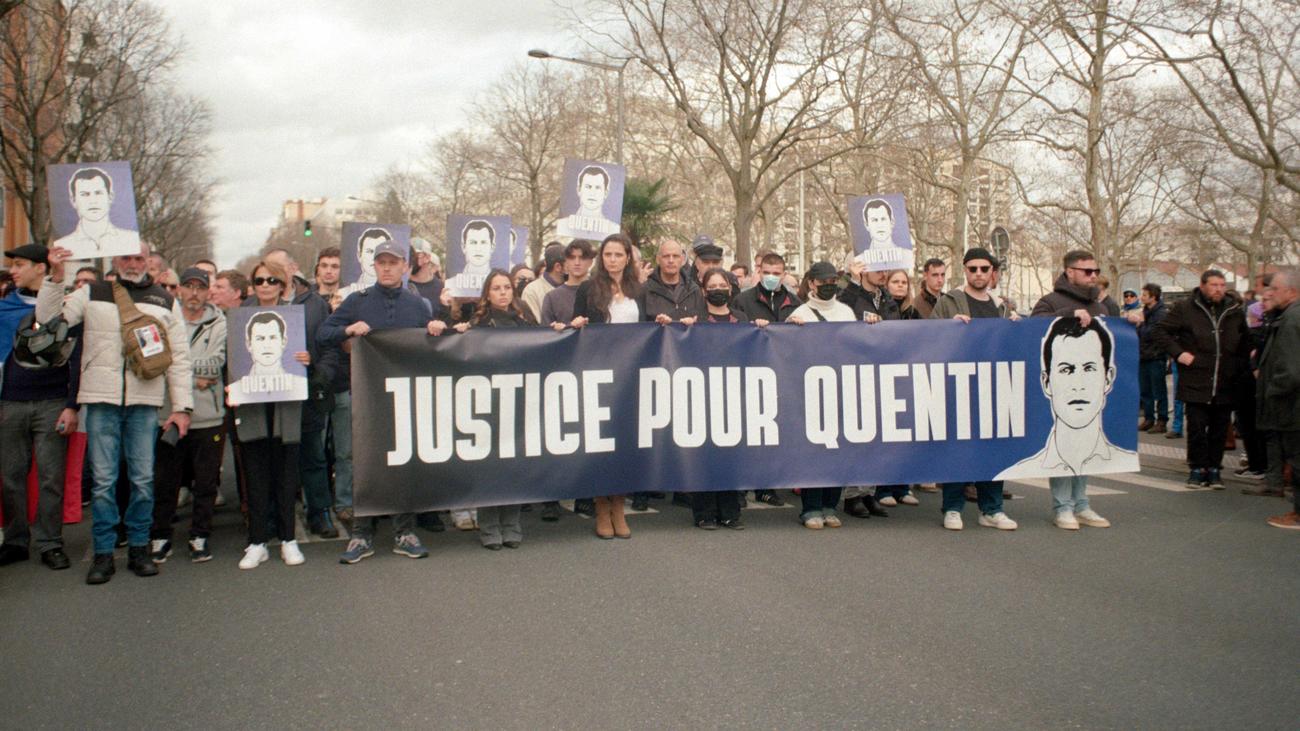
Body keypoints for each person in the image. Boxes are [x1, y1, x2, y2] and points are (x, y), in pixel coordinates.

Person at [38, 241, 193, 584]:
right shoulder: (92, 292)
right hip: (101, 400)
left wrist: (182, 407)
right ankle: (104, 553)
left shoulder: (164, 300)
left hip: (145, 401)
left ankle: (139, 548)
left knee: (143, 480)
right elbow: (48, 322)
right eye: (126, 256)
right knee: (104, 483)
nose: (133, 263)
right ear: (115, 258)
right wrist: (55, 277)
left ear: (149, 261)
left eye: (139, 257)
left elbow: (180, 358)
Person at [320, 241, 443, 562]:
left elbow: (433, 348)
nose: (387, 268)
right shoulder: (357, 301)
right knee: (365, 465)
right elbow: (324, 334)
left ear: (405, 266)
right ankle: (361, 534)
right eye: (381, 262)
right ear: (373, 266)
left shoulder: (418, 306)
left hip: (404, 396)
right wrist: (348, 328)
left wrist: (436, 329)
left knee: (403, 464)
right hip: (367, 397)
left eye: (393, 262)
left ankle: (404, 531)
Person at [0, 244, 81, 571]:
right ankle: (16, 540)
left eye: (20, 264)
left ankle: (50, 542)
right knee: (10, 476)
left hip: (52, 403)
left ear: (40, 268)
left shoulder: (67, 307)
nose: (13, 271)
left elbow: (77, 357)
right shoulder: (3, 308)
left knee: (51, 477)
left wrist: (72, 405)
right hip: (10, 403)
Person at [227, 261, 310, 569]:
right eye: (260, 280)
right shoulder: (238, 318)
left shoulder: (295, 317)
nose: (265, 285)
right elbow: (229, 360)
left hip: (286, 404)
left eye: (272, 280)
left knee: (286, 476)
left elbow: (313, 356)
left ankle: (288, 539)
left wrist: (308, 358)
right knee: (255, 475)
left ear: (282, 285)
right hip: (251, 404)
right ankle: (257, 542)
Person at [930, 247, 1018, 532]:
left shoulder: (1002, 307)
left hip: (994, 387)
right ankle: (952, 508)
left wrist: (1017, 327)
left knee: (993, 450)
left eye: (984, 269)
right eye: (973, 269)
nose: (978, 274)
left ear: (992, 272)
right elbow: (927, 338)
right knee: (957, 450)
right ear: (965, 270)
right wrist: (948, 328)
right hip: (958, 386)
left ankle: (991, 509)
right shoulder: (949, 302)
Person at [148, 268, 226, 563]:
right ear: (179, 289)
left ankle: (200, 535)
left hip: (208, 415)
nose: (194, 293)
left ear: (208, 291)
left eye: (200, 287)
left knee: (205, 482)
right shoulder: (163, 319)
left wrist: (179, 367)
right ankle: (160, 535)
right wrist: (190, 372)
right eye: (189, 286)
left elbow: (216, 364)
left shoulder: (220, 322)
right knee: (165, 480)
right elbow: (156, 360)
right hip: (167, 413)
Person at [569, 233, 644, 539]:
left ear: (627, 258)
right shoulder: (588, 288)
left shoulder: (639, 290)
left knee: (625, 443)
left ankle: (619, 507)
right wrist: (575, 325)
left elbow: (648, 327)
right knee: (602, 443)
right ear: (602, 258)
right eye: (608, 254)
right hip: (599, 371)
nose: (613, 260)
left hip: (631, 373)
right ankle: (601, 507)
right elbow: (575, 325)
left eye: (618, 254)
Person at [460, 270, 536, 548]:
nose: (503, 292)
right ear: (487, 293)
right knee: (489, 467)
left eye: (507, 287)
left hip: (517, 400)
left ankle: (511, 524)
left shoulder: (524, 321)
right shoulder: (479, 322)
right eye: (496, 288)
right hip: (488, 402)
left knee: (514, 466)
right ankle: (489, 526)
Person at [1153, 269, 1251, 488]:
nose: (1219, 290)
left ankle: (1214, 469)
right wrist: (1179, 353)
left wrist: (1240, 365)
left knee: (1219, 429)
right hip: (1196, 377)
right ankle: (1197, 469)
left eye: (1222, 285)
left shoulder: (1234, 310)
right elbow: (1160, 331)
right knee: (1197, 428)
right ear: (1203, 285)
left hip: (1225, 379)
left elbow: (1244, 341)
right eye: (1214, 285)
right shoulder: (1185, 308)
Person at [786, 261, 854, 529]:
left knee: (838, 450)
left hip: (840, 390)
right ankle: (811, 507)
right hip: (811, 392)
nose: (829, 286)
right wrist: (790, 330)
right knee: (813, 451)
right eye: (823, 281)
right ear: (811, 283)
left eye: (832, 281)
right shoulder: (801, 313)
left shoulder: (846, 312)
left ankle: (830, 505)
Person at [687, 267, 754, 530]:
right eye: (712, 287)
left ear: (730, 288)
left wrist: (760, 329)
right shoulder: (695, 319)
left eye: (722, 286)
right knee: (704, 457)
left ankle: (730, 512)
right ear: (704, 291)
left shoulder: (741, 318)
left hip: (734, 393)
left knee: (731, 456)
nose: (718, 290)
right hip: (703, 394)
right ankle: (704, 512)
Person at [732, 251, 800, 506]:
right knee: (747, 434)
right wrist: (751, 326)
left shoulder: (794, 302)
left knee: (772, 435)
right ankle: (740, 487)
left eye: (776, 273)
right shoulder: (743, 299)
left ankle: (766, 486)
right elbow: (735, 331)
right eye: (767, 272)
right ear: (759, 273)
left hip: (782, 374)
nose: (771, 277)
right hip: (750, 372)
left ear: (784, 274)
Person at [1249, 268, 1300, 529]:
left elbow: (1290, 370)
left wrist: (1271, 390)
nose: (1270, 293)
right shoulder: (1288, 316)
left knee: (1297, 459)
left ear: (1291, 291)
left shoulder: (1291, 319)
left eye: (1276, 289)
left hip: (1292, 405)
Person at [51, 167, 141, 258]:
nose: (93, 201)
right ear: (73, 200)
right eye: (85, 194)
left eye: (98, 193)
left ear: (110, 197)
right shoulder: (63, 247)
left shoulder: (130, 240)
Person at [1132, 283, 1169, 433]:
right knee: (1145, 390)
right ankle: (1149, 418)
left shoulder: (1161, 313)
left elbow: (1154, 333)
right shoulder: (1146, 312)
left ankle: (1162, 420)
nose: (1142, 297)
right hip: (1144, 355)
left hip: (1156, 356)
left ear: (1153, 297)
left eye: (1145, 295)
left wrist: (1140, 323)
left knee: (1159, 390)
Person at [540, 239, 596, 328]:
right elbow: (545, 332)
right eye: (572, 258)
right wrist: (556, 329)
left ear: (590, 262)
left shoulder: (600, 292)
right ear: (566, 261)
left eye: (582, 258)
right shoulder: (552, 297)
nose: (577, 263)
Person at [557, 165, 620, 237]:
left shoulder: (613, 230)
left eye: (598, 188)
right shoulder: (563, 226)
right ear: (579, 190)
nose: (592, 193)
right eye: (588, 187)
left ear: (606, 193)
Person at [445, 220, 498, 294]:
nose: (478, 249)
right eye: (473, 242)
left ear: (492, 247)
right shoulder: (451, 286)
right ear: (463, 247)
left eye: (483, 242)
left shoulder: (501, 287)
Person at [521, 243, 565, 322]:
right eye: (570, 263)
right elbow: (534, 324)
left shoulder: (574, 287)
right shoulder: (531, 291)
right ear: (558, 267)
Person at [406, 238, 443, 317]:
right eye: (408, 255)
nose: (410, 259)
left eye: (415, 255)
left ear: (427, 258)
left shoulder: (441, 287)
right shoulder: (401, 284)